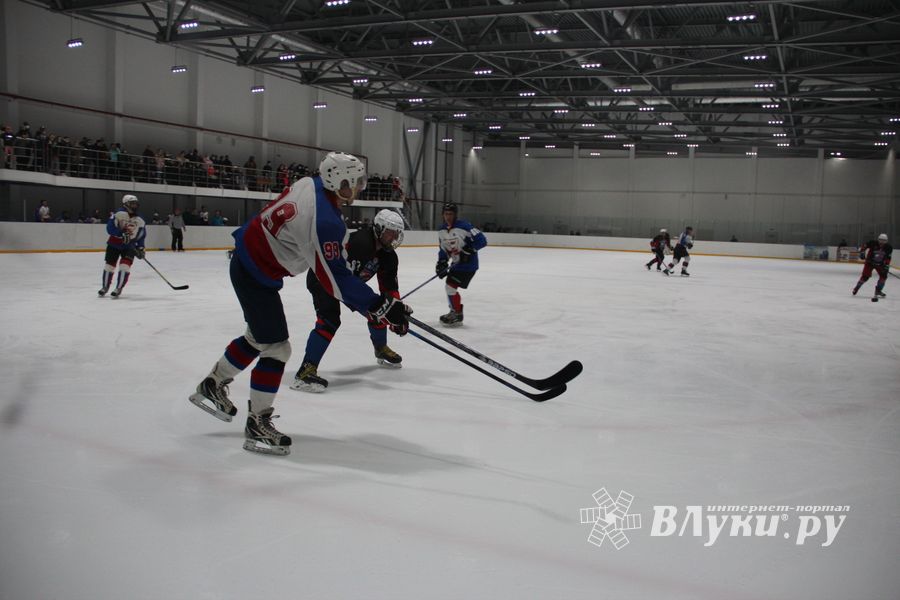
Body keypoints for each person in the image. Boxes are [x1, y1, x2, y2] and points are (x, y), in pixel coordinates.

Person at [188, 152, 412, 456]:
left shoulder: (311, 183)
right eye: (355, 182)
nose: (359, 187)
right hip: (255, 273)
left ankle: (212, 385)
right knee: (277, 347)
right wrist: (379, 306)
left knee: (259, 337)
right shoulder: (326, 222)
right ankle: (257, 423)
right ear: (339, 181)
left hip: (251, 264)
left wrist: (381, 305)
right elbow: (334, 279)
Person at [291, 209, 407, 393]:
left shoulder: (388, 255)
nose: (394, 237)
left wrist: (396, 312)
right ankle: (305, 371)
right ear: (379, 228)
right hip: (324, 279)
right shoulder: (360, 243)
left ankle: (381, 348)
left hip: (349, 284)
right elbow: (342, 278)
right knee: (329, 321)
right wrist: (383, 308)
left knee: (377, 311)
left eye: (397, 233)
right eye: (391, 232)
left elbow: (389, 287)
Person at [435, 202, 487, 326]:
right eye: (446, 214)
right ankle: (455, 312)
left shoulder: (465, 226)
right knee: (450, 287)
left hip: (468, 265)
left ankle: (456, 313)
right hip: (456, 264)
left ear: (455, 215)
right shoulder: (441, 231)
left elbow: (482, 240)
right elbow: (443, 249)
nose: (448, 217)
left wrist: (468, 251)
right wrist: (441, 262)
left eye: (451, 214)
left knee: (450, 287)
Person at [98, 194, 146, 298]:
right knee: (109, 266)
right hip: (114, 244)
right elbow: (109, 228)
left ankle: (118, 288)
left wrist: (141, 247)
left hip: (129, 246)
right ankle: (105, 287)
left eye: (136, 204)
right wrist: (121, 233)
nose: (135, 206)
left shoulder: (140, 219)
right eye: (132, 204)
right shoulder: (118, 214)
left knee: (125, 267)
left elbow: (141, 234)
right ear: (126, 204)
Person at [852, 234, 892, 302]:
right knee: (865, 276)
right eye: (880, 240)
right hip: (869, 263)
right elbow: (864, 246)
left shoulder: (889, 247)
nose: (882, 242)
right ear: (878, 239)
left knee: (884, 276)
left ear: (886, 241)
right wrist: (862, 252)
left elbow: (888, 257)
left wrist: (886, 266)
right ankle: (856, 288)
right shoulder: (873, 243)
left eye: (884, 241)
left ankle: (878, 290)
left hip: (880, 264)